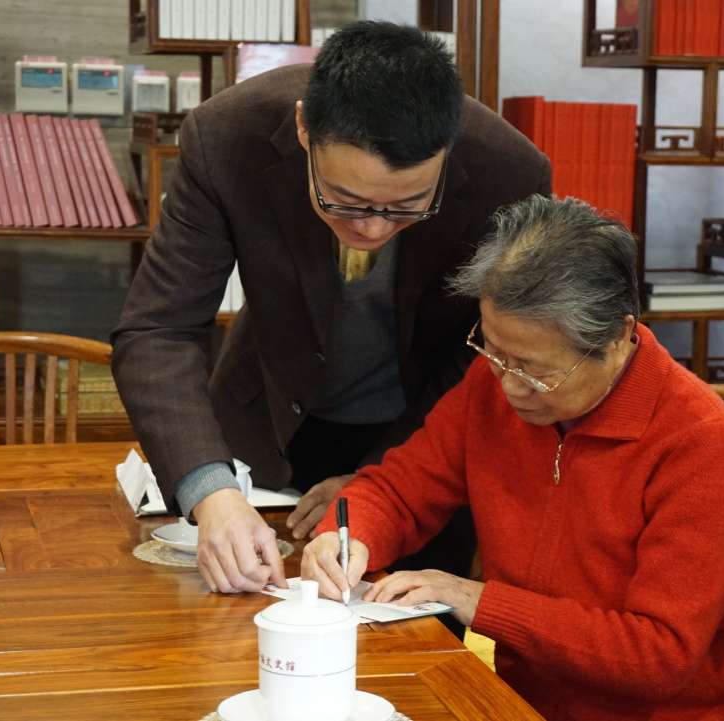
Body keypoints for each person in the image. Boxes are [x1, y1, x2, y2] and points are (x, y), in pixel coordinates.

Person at [110, 21, 551, 599]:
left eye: (407, 206)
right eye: (341, 200)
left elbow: (482, 351)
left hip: (421, 434)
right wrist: (212, 493)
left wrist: (386, 478)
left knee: (408, 650)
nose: (370, 227)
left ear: (447, 152)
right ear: (302, 130)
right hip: (266, 425)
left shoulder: (509, 173)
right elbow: (158, 328)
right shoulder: (228, 138)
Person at [302, 196, 724, 721]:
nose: (509, 386)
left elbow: (658, 656)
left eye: (535, 370)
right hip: (522, 701)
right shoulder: (490, 389)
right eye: (492, 351)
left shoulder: (695, 438)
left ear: (619, 337)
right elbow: (396, 489)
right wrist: (345, 539)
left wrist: (478, 600)